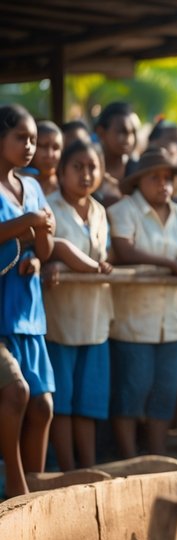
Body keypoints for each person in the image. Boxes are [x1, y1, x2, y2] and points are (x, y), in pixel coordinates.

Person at [107, 148, 177, 458]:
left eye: (168, 178)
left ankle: (158, 454)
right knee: (131, 392)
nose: (163, 184)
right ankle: (128, 456)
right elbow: (124, 251)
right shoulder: (124, 211)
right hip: (133, 321)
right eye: (155, 177)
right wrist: (173, 264)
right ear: (138, 181)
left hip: (169, 322)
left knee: (164, 391)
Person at [44, 141, 117, 470]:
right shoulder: (49, 208)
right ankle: (68, 468)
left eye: (92, 167)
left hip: (96, 318)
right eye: (78, 167)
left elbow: (106, 255)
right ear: (61, 172)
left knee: (90, 402)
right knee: (63, 402)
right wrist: (53, 265)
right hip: (61, 320)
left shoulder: (101, 212)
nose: (86, 174)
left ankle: (88, 468)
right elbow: (41, 253)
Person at [0, 104, 56, 493]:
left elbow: (46, 247)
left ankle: (33, 489)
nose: (30, 145)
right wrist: (31, 222)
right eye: (21, 137)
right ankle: (17, 489)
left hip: (29, 314)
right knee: (16, 392)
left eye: (33, 139)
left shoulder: (33, 187)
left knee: (42, 406)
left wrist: (37, 253)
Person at [93, 102, 140, 206]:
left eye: (132, 132)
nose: (129, 139)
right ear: (101, 132)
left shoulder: (138, 171)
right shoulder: (88, 168)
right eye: (121, 132)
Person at [31, 121, 61, 196]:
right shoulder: (18, 184)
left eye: (56, 148)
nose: (50, 154)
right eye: (44, 146)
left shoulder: (68, 189)